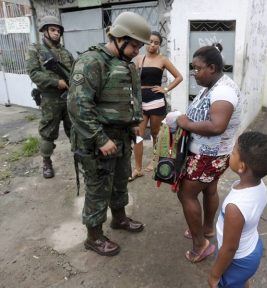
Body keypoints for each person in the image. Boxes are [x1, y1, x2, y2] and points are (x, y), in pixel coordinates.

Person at [67, 11, 151, 256]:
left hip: (122, 136)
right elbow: (78, 105)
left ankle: (119, 218)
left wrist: (134, 122)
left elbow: (130, 98)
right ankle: (93, 237)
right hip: (97, 141)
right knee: (98, 187)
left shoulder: (126, 64)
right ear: (120, 38)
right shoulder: (92, 61)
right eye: (135, 45)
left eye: (140, 46)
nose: (138, 50)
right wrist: (99, 138)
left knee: (120, 181)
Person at [176, 45, 243, 263]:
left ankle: (200, 245)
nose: (194, 73)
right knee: (209, 189)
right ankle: (206, 229)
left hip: (209, 155)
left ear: (212, 68)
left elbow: (217, 126)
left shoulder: (223, 91)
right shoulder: (212, 86)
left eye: (197, 68)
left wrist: (185, 122)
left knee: (186, 193)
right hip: (209, 153)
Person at [208, 131, 267, 288]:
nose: (230, 154)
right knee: (240, 281)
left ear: (241, 166)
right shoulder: (261, 187)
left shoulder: (235, 207)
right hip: (252, 247)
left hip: (238, 260)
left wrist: (214, 274)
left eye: (233, 152)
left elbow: (230, 248)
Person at [129, 31, 183, 180]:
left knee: (155, 133)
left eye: (156, 42)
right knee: (138, 135)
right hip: (140, 100)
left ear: (160, 45)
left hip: (156, 100)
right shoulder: (139, 59)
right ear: (146, 42)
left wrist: (165, 89)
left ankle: (155, 161)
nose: (152, 45)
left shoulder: (162, 60)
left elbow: (179, 77)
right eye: (150, 41)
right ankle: (138, 168)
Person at [26, 16, 74, 178]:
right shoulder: (36, 50)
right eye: (52, 30)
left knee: (74, 129)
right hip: (49, 98)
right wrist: (55, 82)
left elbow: (73, 72)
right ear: (44, 31)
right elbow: (33, 73)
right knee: (48, 132)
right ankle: (46, 162)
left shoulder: (65, 52)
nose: (56, 33)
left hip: (68, 97)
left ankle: (80, 156)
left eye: (58, 30)